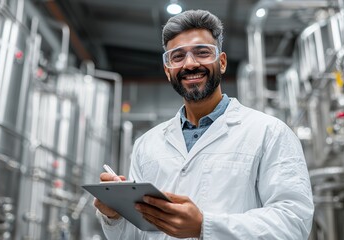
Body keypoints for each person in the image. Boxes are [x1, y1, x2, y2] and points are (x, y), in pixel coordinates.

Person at [94, 9, 314, 239]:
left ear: (222, 62)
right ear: (168, 70)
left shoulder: (269, 132)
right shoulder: (146, 145)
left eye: (202, 52)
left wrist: (205, 226)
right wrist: (115, 216)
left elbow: (293, 223)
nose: (190, 64)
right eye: (177, 56)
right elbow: (138, 235)